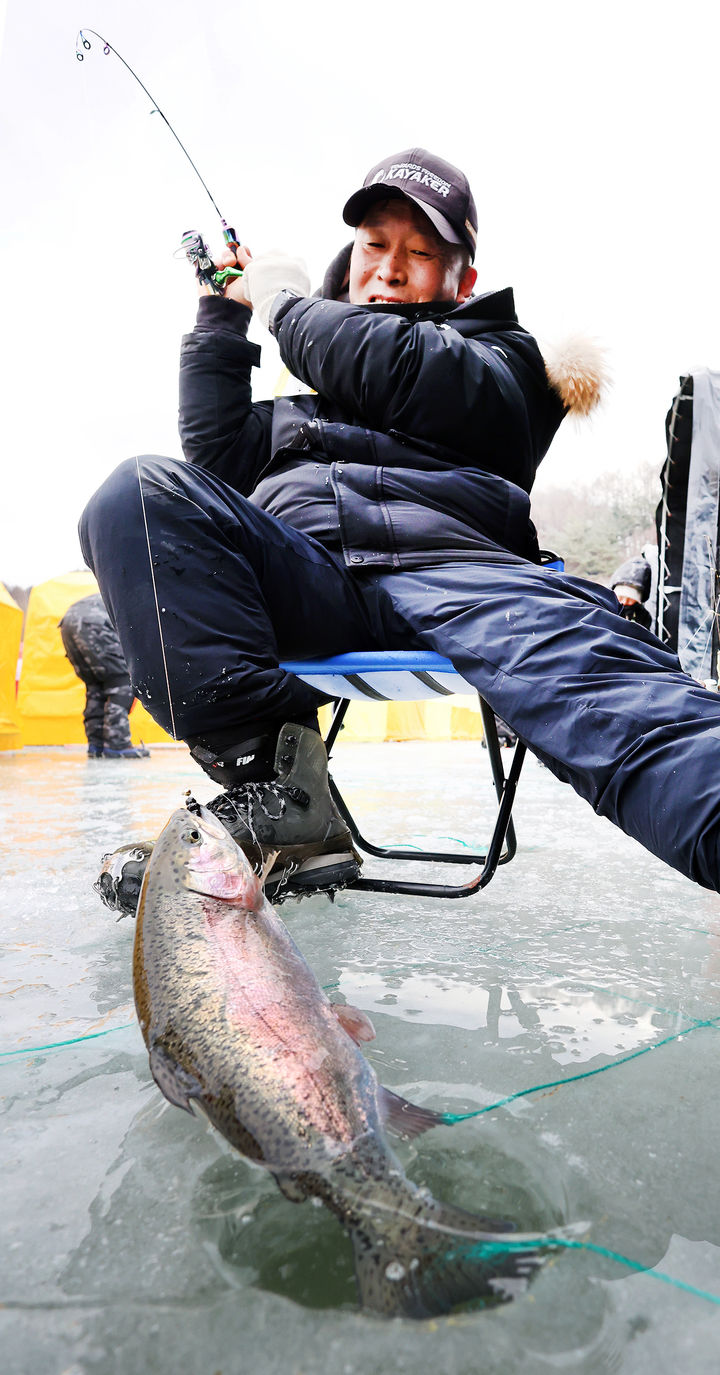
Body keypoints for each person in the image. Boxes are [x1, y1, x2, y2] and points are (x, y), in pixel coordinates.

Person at [81, 146, 720, 908]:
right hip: (309, 574)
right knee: (136, 497)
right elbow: (216, 454)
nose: (391, 266)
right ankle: (278, 795)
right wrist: (225, 312)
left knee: (620, 707)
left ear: (463, 280)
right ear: (349, 261)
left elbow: (398, 367)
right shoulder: (304, 406)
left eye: (421, 253)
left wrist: (283, 305)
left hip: (459, 573)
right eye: (375, 246)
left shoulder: (499, 357)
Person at [59, 592, 149, 759]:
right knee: (121, 681)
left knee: (95, 685)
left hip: (68, 623)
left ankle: (96, 744)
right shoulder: (147, 600)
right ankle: (118, 744)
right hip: (95, 622)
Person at [609, 551, 653, 630]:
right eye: (621, 597)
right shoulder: (604, 609)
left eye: (630, 599)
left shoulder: (644, 617)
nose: (624, 602)